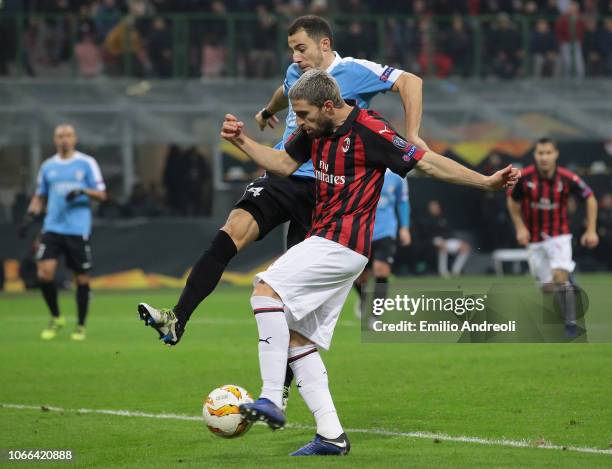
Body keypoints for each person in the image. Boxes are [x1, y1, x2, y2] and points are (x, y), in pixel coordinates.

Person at [146, 70, 520, 456]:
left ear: (329, 106)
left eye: (305, 115)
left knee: (264, 291)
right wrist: (242, 140)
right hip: (331, 244)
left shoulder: (371, 131)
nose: (301, 122)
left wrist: (486, 181)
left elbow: (425, 163)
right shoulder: (314, 131)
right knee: (298, 339)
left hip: (340, 243)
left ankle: (272, 397)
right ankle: (331, 435)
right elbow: (282, 164)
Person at [137, 15, 429, 346]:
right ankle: (177, 318)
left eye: (301, 49)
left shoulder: (354, 71)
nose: (295, 57)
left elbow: (411, 81)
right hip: (281, 173)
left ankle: (281, 391)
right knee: (232, 230)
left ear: (324, 45)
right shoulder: (296, 74)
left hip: (324, 189)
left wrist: (413, 133)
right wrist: (266, 111)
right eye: (292, 49)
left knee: (291, 295)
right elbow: (285, 89)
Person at [19, 124, 107, 341]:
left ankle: (80, 325)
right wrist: (29, 216)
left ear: (74, 138)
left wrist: (83, 190)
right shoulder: (48, 166)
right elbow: (40, 195)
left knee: (82, 278)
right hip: (52, 227)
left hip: (77, 229)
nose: (64, 139)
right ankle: (56, 317)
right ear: (55, 139)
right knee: (44, 273)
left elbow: (102, 194)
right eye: (60, 136)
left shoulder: (86, 163)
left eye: (67, 135)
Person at [506, 137, 598, 337]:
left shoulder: (567, 178)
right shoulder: (525, 178)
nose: (544, 157)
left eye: (548, 153)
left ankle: (571, 325)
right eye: (540, 153)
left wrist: (591, 230)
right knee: (548, 288)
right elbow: (512, 201)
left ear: (556, 154)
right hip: (535, 240)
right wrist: (520, 227)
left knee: (559, 278)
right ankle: (569, 279)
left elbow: (589, 197)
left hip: (559, 235)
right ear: (535, 155)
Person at [353, 170, 411, 318]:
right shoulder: (363, 168)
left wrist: (404, 227)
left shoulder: (398, 174)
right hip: (362, 230)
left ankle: (375, 315)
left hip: (386, 230)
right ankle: (363, 298)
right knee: (359, 276)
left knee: (381, 270)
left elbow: (403, 201)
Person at [421, 200, 472, 277]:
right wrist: (438, 240)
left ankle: (456, 271)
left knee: (466, 247)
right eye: (432, 207)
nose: (434, 208)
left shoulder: (444, 218)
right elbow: (426, 236)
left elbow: (449, 233)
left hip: (448, 240)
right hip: (434, 240)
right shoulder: (425, 220)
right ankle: (443, 272)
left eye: (436, 206)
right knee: (442, 245)